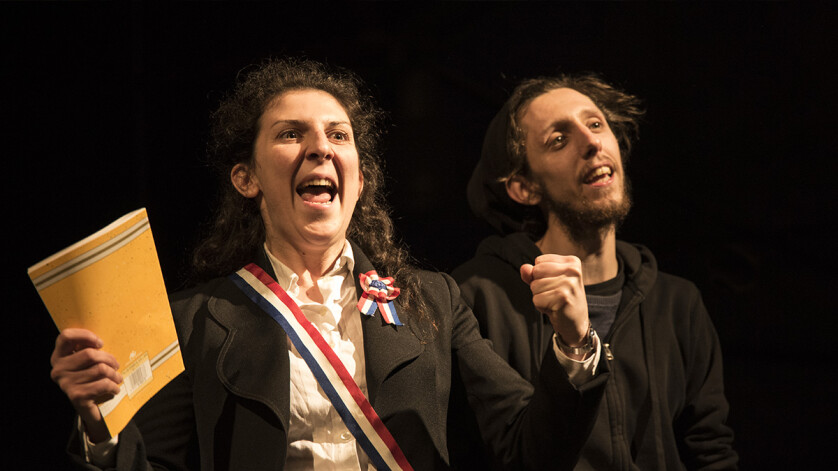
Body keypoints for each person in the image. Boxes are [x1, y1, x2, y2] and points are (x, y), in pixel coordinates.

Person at [49, 59, 608, 471]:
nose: (320, 148)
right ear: (246, 178)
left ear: (358, 180)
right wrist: (100, 429)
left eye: (338, 135)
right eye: (291, 134)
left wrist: (574, 344)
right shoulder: (194, 321)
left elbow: (528, 451)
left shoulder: (432, 300)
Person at [451, 74, 738, 469]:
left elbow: (711, 452)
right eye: (559, 139)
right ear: (524, 188)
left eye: (597, 124)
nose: (592, 142)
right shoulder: (477, 298)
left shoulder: (678, 304)